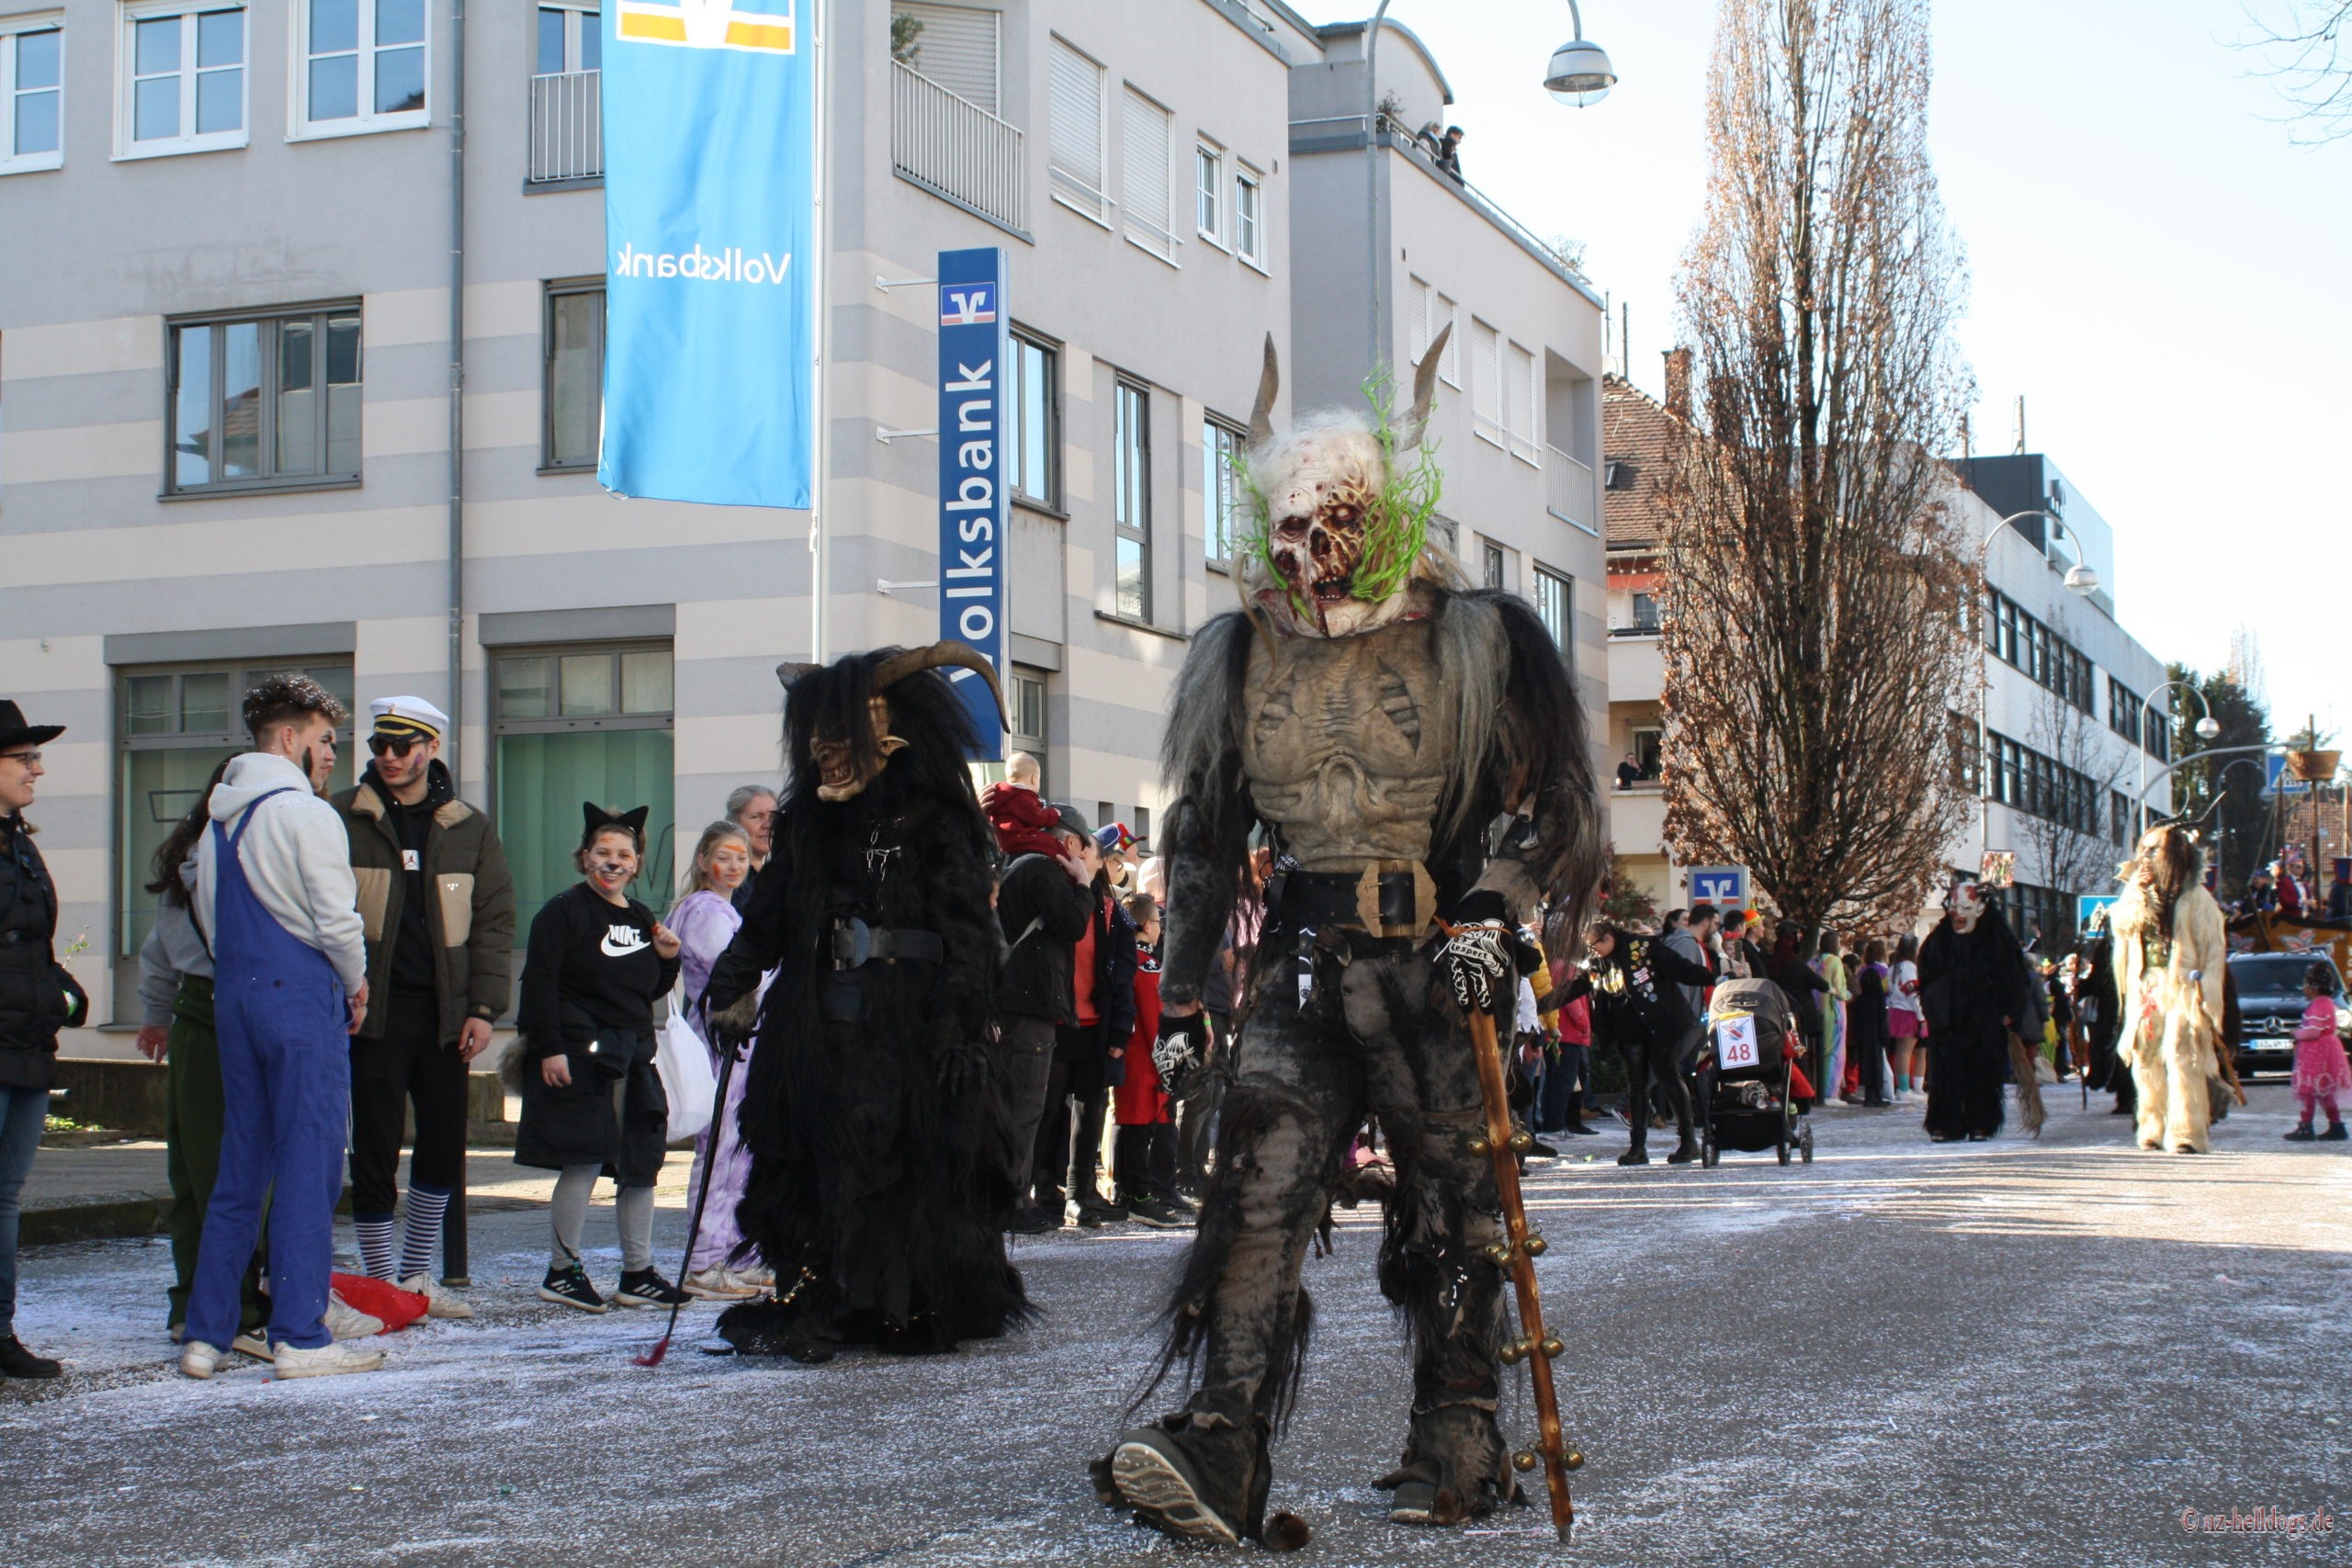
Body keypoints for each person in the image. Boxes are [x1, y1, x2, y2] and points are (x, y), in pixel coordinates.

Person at [1095, 328, 1602, 1546]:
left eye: (1331, 530)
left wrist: (1496, 912)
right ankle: (1223, 1436)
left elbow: (1555, 805)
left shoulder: (1478, 639)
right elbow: (1203, 837)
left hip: (1435, 968)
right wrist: (1179, 996)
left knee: (1453, 1204)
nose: (1308, 562)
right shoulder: (1238, 654)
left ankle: (1459, 1434)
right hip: (1300, 971)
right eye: (1286, 534)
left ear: (1380, 518)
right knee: (1255, 1189)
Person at [702, 645, 1034, 1361]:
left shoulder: (937, 820)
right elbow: (767, 915)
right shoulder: (807, 822)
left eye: (843, 735)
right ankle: (820, 1295)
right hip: (819, 1016)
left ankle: (904, 1300)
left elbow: (969, 935)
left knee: (905, 1156)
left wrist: (958, 1028)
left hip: (911, 1020)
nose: (827, 756)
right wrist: (729, 987)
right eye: (817, 740)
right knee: (813, 1151)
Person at [180, 676, 380, 1381]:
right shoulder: (305, 813)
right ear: (291, 737)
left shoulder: (217, 822)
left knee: (241, 1163)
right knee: (309, 1162)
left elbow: (209, 920)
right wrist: (355, 982)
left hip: (234, 993)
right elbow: (337, 917)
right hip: (298, 993)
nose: (331, 754)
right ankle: (300, 1334)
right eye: (325, 740)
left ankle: (207, 1334)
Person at [331, 697, 513, 1311]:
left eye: (402, 745)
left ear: (431, 748)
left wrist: (483, 1008)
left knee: (441, 1145)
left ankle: (415, 1277)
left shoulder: (468, 826)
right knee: (374, 1148)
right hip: (371, 1013)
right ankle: (381, 1280)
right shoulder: (344, 816)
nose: (388, 756)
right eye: (379, 745)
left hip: (445, 1014)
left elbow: (494, 922)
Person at [511, 804, 690, 1313]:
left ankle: (638, 1273)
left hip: (633, 1057)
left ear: (637, 863)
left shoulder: (639, 917)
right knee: (583, 1160)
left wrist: (669, 960)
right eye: (603, 852)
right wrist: (549, 1048)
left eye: (624, 855)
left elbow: (644, 991)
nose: (613, 862)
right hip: (580, 1055)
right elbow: (539, 984)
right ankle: (562, 1270)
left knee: (640, 1165)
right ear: (584, 856)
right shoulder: (562, 912)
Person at [135, 761, 272, 1348]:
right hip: (243, 1009)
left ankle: (191, 1302)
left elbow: (157, 948)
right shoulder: (244, 853)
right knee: (238, 1172)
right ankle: (236, 1307)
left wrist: (154, 1014)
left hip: (192, 1014)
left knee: (193, 1172)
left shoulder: (186, 857)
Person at [1, 702, 89, 1380]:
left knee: (7, 1194)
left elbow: (32, 942)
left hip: (28, 1044)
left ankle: (0, 1331)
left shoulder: (18, 841)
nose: (38, 769)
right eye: (24, 758)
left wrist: (63, 989)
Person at [665, 820, 767, 1299]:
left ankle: (734, 1254)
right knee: (720, 1154)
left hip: (741, 1042)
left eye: (741, 858)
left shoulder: (724, 909)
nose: (733, 866)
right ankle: (705, 1261)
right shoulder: (705, 911)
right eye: (723, 857)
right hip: (723, 1041)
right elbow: (736, 973)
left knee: (738, 1154)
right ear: (704, 861)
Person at [993, 801, 1096, 1233]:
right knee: (1026, 1106)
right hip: (1030, 1003)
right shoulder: (1042, 870)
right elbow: (1071, 924)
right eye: (1085, 848)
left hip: (1011, 1003)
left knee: (1013, 1104)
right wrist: (1084, 885)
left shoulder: (1015, 864)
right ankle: (1011, 1202)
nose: (1086, 857)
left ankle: (1010, 1196)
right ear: (1069, 842)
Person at [1037, 810, 1138, 1226]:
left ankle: (1079, 1193)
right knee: (1047, 1111)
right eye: (1095, 849)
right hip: (1054, 1022)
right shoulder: (1056, 896)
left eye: (1091, 850)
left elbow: (1125, 977)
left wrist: (1120, 1031)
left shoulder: (1115, 912)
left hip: (1096, 1025)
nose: (1089, 855)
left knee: (1089, 1110)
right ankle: (1043, 1188)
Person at [2109, 827, 2230, 1155]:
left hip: (2184, 988)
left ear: (2172, 854)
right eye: (2144, 849)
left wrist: (2206, 995)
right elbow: (2123, 926)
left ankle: (2187, 1132)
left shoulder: (2198, 900)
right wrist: (2139, 894)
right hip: (2147, 986)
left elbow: (2214, 951)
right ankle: (2152, 1127)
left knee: (2181, 1055)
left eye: (2154, 850)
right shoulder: (2136, 892)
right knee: (2145, 1055)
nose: (2145, 856)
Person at [1566, 923, 1711, 1165]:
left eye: (1594, 945)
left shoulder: (1644, 948)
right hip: (1627, 1029)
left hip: (1660, 1025)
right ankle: (1637, 1147)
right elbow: (1577, 987)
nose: (1592, 950)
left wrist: (1714, 978)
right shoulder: (1597, 963)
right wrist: (1543, 1003)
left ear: (1608, 938)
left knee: (1668, 1076)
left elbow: (1681, 969)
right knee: (1636, 1085)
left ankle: (1688, 1142)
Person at [1915, 876, 2038, 1144]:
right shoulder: (1939, 941)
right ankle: (1946, 1123)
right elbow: (1927, 976)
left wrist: (2010, 1011)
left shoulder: (1998, 941)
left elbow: (2015, 980)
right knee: (1946, 1073)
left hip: (1986, 1019)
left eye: (1966, 908)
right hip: (1949, 1021)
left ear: (1981, 909)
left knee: (1984, 1072)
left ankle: (1981, 1122)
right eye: (1954, 908)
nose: (1958, 914)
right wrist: (1935, 1007)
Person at [1111, 892, 1186, 1225]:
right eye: (1157, 921)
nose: (1160, 928)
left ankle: (1126, 1191)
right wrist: (1172, 1061)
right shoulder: (1146, 963)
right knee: (1139, 1129)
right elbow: (1157, 1018)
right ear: (1144, 926)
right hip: (1145, 1059)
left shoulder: (1131, 959)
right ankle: (1139, 1196)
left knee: (1129, 1126)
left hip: (1134, 1056)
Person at [2284, 961, 2351, 1141]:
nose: (2304, 988)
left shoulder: (2318, 1006)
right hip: (2324, 1052)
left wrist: (2296, 1033)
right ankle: (2336, 1125)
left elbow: (2313, 1031)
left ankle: (2306, 1126)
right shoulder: (2327, 1003)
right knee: (2324, 1091)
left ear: (2314, 987)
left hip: (2316, 1054)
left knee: (2309, 1090)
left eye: (2306, 984)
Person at [1849, 940, 1893, 1107]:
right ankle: (1876, 1095)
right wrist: (1885, 1037)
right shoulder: (1878, 998)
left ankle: (1870, 1094)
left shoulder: (1860, 1000)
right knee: (1876, 1066)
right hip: (1876, 1037)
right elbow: (1882, 1019)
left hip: (1863, 1036)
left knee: (1866, 1065)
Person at [724, 784, 777, 915]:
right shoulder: (729, 879)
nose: (768, 825)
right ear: (735, 823)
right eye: (756, 817)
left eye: (773, 817)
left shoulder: (775, 876)